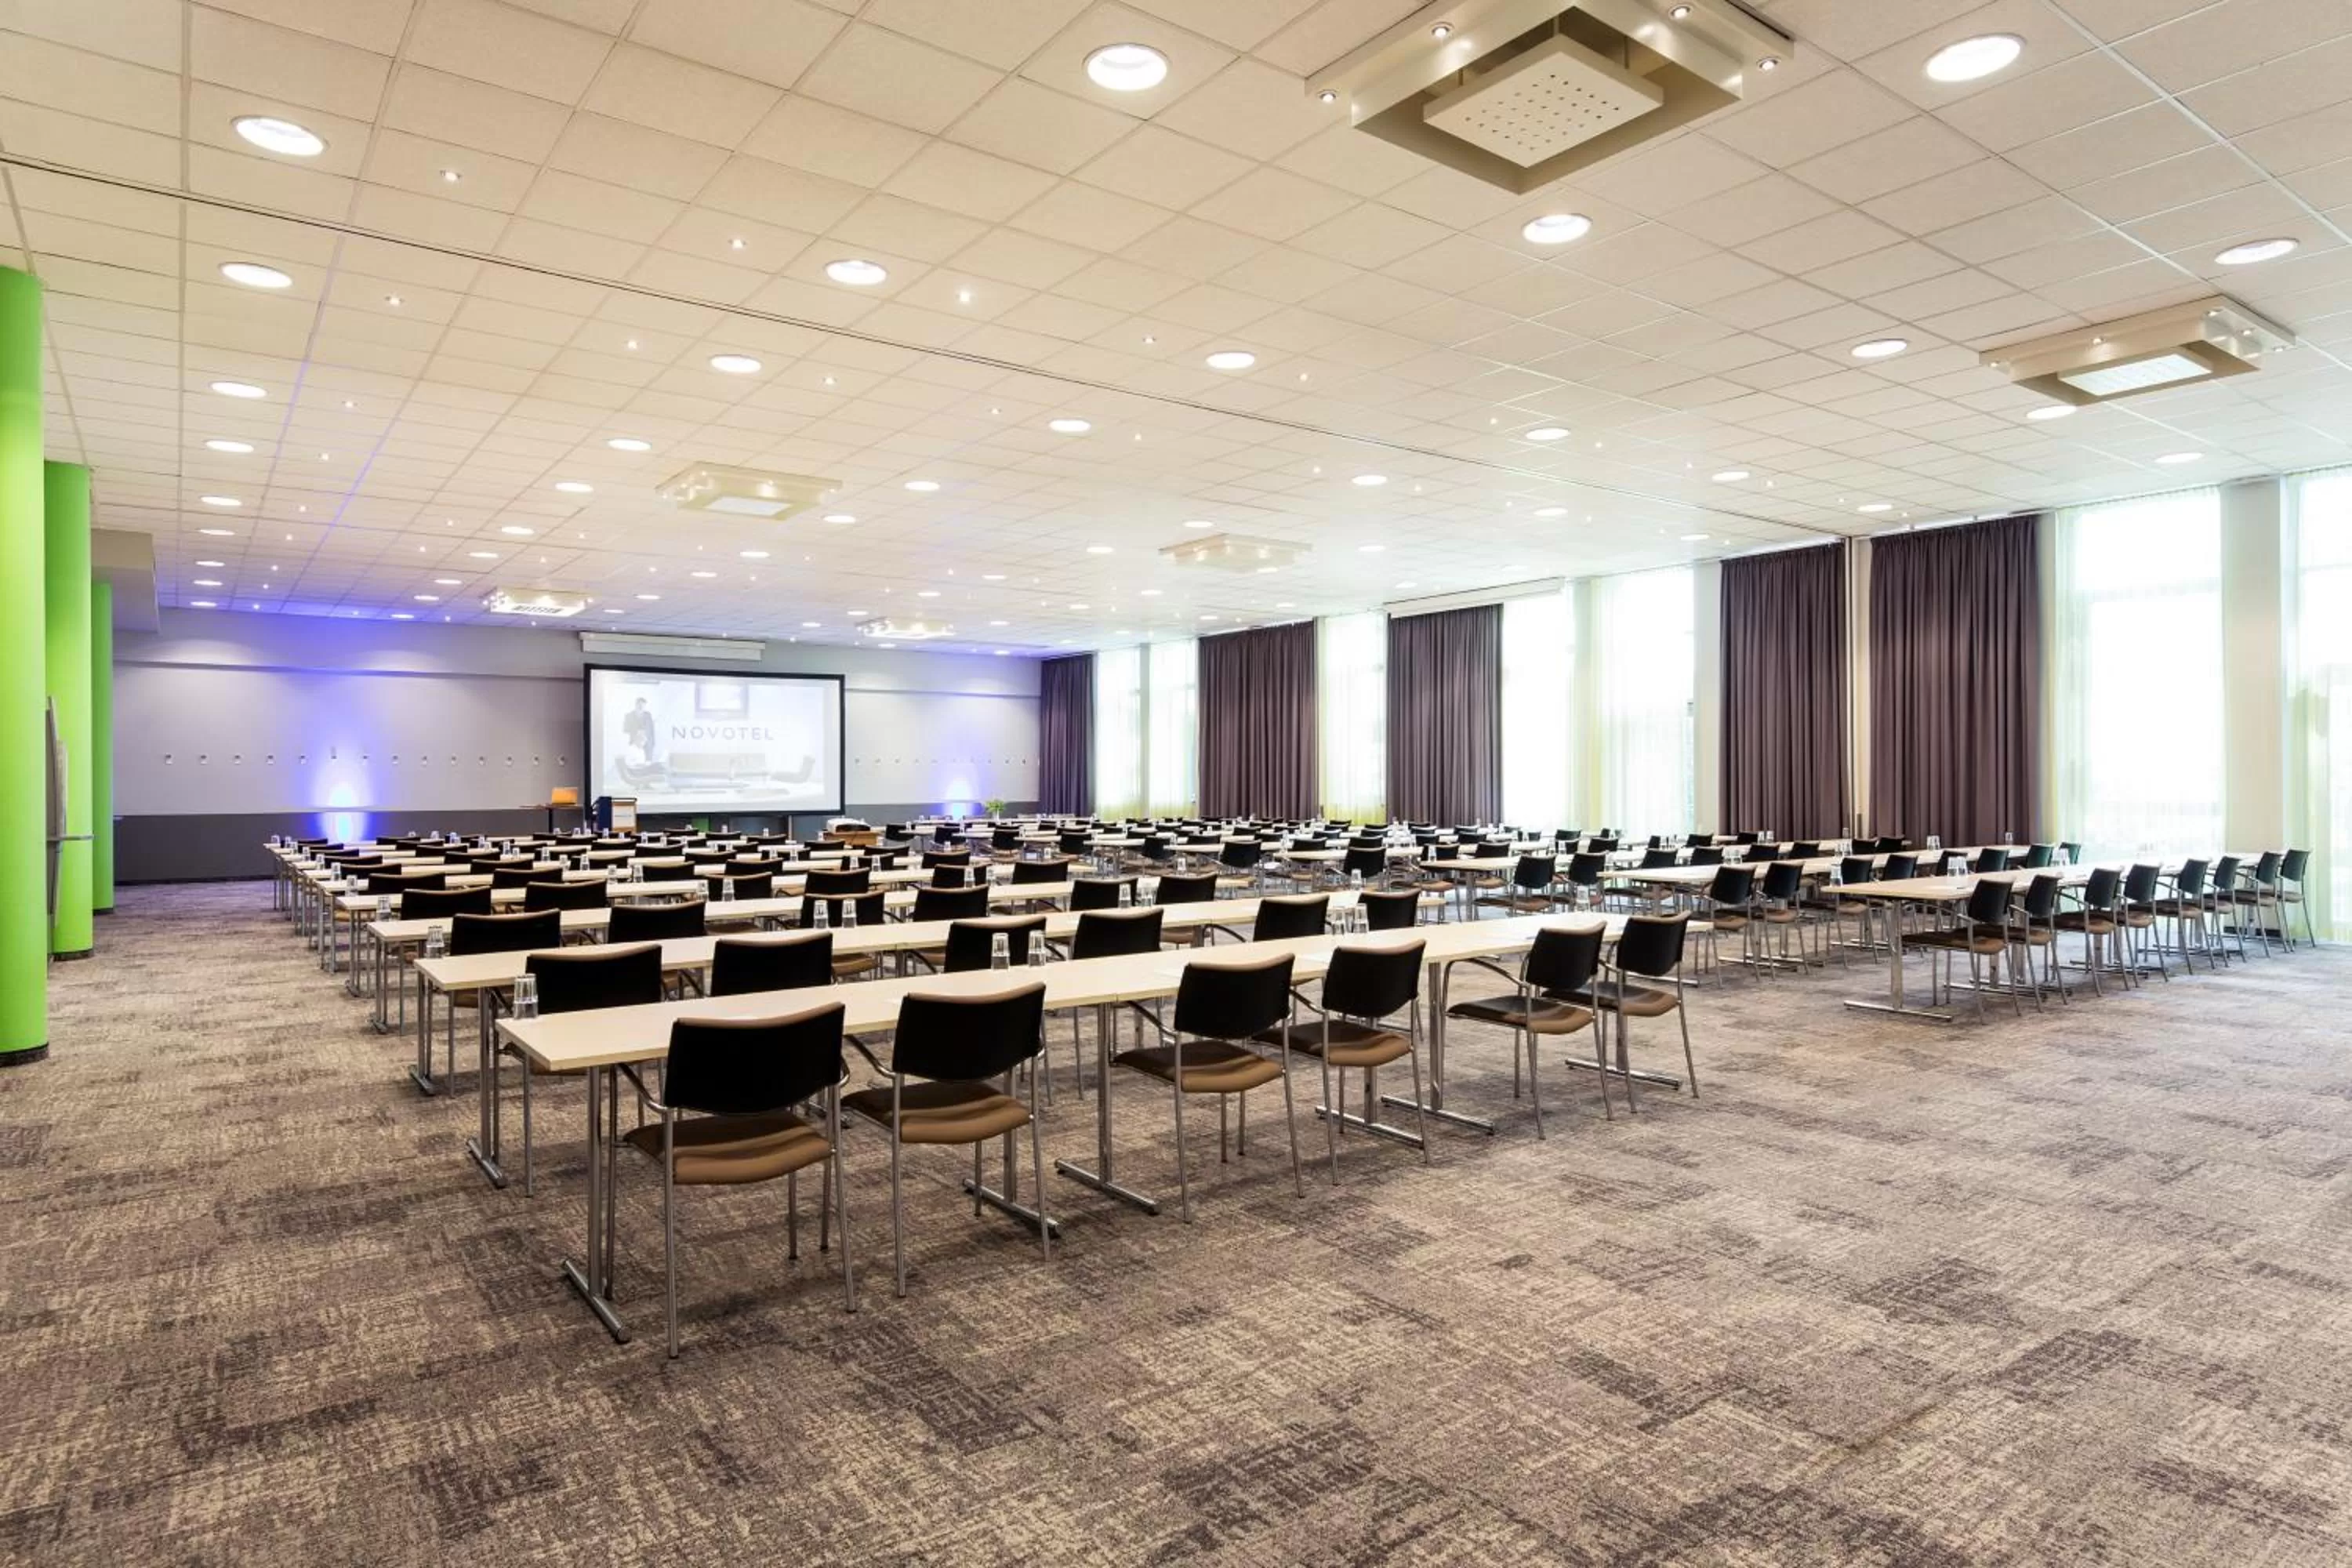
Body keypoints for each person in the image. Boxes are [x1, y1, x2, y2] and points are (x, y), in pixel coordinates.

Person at [622, 696, 655, 765]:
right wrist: (637, 731)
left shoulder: (648, 715)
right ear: (636, 705)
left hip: (648, 745)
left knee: (648, 765)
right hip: (635, 745)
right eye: (640, 705)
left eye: (643, 706)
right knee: (636, 765)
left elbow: (652, 730)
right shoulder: (629, 716)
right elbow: (625, 730)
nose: (641, 707)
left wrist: (653, 743)